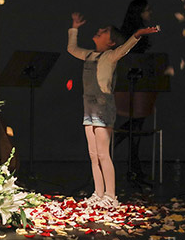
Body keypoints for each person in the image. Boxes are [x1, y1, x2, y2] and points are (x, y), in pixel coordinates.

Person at [67, 12, 159, 209]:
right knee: (93, 154)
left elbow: (125, 48)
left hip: (102, 109)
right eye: (100, 30)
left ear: (110, 43)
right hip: (88, 109)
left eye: (104, 32)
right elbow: (71, 48)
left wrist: (138, 33)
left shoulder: (111, 56)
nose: (99, 31)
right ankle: (98, 193)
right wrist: (74, 28)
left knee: (103, 154)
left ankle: (111, 195)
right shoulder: (89, 55)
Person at [116, 0, 154, 180]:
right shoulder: (133, 34)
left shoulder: (138, 33)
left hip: (140, 83)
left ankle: (133, 163)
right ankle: (131, 161)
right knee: (137, 123)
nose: (150, 13)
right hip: (132, 83)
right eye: (147, 10)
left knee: (138, 123)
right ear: (138, 12)